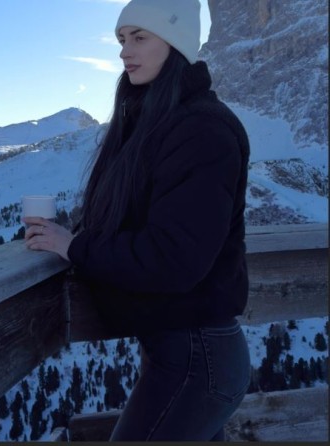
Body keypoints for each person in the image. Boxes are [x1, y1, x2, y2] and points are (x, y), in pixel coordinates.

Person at [23, 0, 251, 441]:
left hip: (198, 359)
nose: (125, 51)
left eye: (140, 38)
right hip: (182, 355)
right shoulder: (157, 120)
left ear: (176, 42)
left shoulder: (202, 130)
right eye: (122, 39)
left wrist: (74, 246)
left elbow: (175, 259)